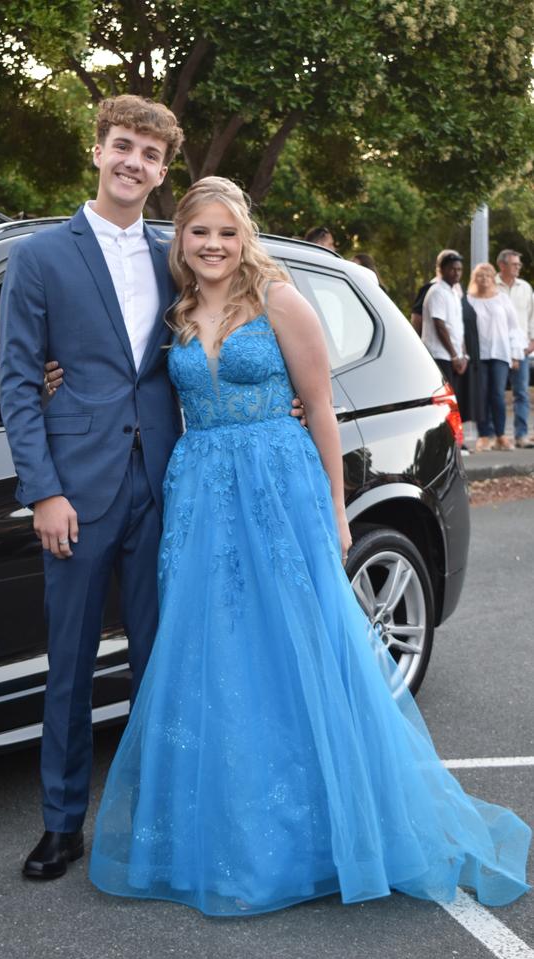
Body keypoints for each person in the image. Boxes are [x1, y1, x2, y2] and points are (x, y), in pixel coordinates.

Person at [81, 178, 530, 916]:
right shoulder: (180, 311)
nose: (214, 245)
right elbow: (129, 382)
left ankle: (337, 828)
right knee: (217, 651)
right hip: (201, 493)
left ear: (244, 235)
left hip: (278, 485)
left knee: (303, 644)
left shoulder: (282, 300)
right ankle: (225, 834)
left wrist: (334, 513)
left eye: (227, 232)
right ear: (182, 243)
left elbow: (321, 411)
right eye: (200, 234)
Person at [0, 96, 304, 882]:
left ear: (164, 170)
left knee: (167, 662)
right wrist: (44, 492)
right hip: (79, 491)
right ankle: (62, 825)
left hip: (172, 489)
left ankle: (162, 822)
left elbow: (232, 323)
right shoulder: (38, 258)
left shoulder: (181, 250)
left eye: (150, 155)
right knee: (67, 665)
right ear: (97, 150)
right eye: (123, 147)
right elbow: (15, 383)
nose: (134, 163)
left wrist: (280, 395)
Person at [467, 263, 523, 452]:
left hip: (500, 353)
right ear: (475, 279)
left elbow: (514, 327)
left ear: (493, 279)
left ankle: (501, 435)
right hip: (478, 356)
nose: (484, 279)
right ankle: (484, 435)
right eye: (480, 276)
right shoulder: (469, 300)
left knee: (497, 395)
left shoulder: (502, 299)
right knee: (481, 395)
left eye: (487, 276)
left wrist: (516, 354)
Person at [495, 249, 534, 448]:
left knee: (521, 392)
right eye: (514, 264)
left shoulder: (525, 287)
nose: (518, 267)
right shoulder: (491, 284)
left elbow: (532, 315)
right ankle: (498, 436)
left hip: (522, 349)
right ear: (502, 265)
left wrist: (532, 341)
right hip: (498, 350)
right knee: (495, 393)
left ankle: (521, 435)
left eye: (519, 264)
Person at [421, 252, 468, 390]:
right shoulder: (437, 291)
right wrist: (454, 356)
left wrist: (464, 355)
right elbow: (439, 326)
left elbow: (458, 327)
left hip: (454, 357)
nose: (456, 273)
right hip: (440, 355)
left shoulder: (453, 292)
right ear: (442, 270)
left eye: (459, 269)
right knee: (443, 398)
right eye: (452, 269)